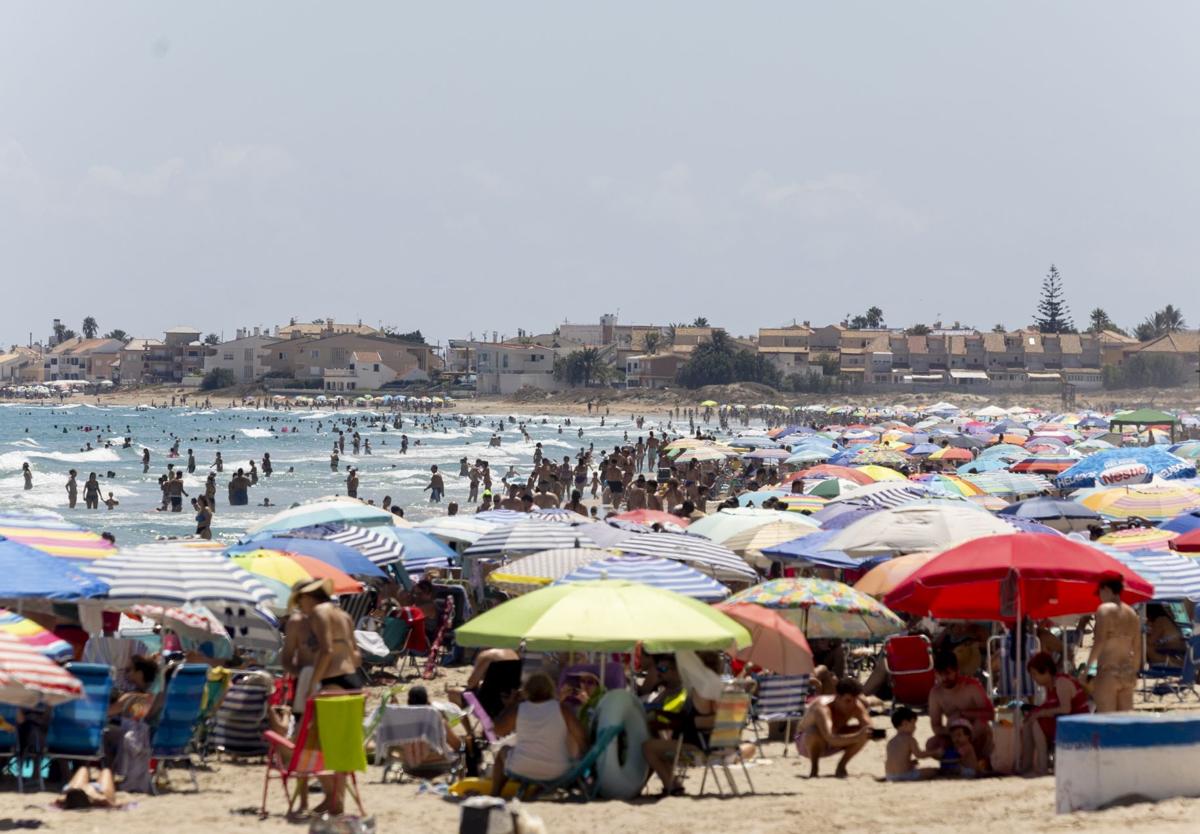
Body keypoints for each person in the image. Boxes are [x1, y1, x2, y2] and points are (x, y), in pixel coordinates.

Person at [490, 672, 586, 797]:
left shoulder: (519, 709)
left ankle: (495, 793)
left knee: (503, 750)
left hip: (522, 767)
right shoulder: (563, 709)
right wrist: (582, 760)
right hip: (557, 770)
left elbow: (497, 730)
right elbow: (581, 738)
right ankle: (541, 789)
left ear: (526, 690)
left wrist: (510, 705)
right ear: (551, 689)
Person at [1020, 652, 1088, 775]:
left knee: (1036, 723)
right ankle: (1027, 764)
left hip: (1076, 723)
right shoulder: (1050, 685)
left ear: (1045, 671)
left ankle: (1041, 766)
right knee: (1029, 723)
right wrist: (1035, 713)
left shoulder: (1061, 682)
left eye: (1035, 674)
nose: (1034, 678)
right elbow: (1049, 705)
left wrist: (1040, 713)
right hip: (1064, 721)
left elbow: (1065, 709)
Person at [796, 678, 873, 777]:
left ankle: (841, 766)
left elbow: (870, 728)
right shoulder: (822, 707)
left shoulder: (855, 705)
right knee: (813, 731)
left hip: (834, 738)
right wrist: (858, 737)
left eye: (855, 699)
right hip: (806, 744)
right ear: (837, 697)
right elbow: (830, 738)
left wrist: (873, 734)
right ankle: (814, 769)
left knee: (866, 732)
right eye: (848, 700)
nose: (852, 704)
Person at [1088, 573, 1141, 713]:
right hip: (1127, 672)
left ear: (1106, 589)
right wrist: (1133, 673)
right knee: (1125, 726)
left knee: (1107, 722)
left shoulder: (1104, 610)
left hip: (1108, 672)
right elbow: (1137, 649)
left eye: (1099, 593)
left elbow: (1099, 642)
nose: (1099, 597)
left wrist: (1087, 669)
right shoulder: (1132, 614)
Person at [926, 651, 994, 760]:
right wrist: (954, 733)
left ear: (956, 671)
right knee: (932, 745)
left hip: (977, 735)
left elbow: (990, 714)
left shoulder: (971, 686)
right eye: (940, 674)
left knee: (980, 724)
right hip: (953, 736)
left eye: (947, 673)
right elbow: (936, 726)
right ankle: (955, 759)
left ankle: (973, 757)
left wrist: (963, 715)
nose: (944, 678)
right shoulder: (935, 693)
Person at [884, 706, 937, 781]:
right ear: (905, 723)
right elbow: (919, 755)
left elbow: (896, 760)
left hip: (890, 775)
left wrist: (910, 763)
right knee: (932, 771)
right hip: (904, 775)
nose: (915, 728)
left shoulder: (891, 741)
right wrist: (934, 753)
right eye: (913, 724)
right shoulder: (909, 739)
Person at [55, 766, 121, 810]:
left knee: (83, 769)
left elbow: (56, 802)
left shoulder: (62, 799)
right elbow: (113, 805)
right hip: (94, 794)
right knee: (106, 771)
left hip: (75, 790)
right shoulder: (99, 799)